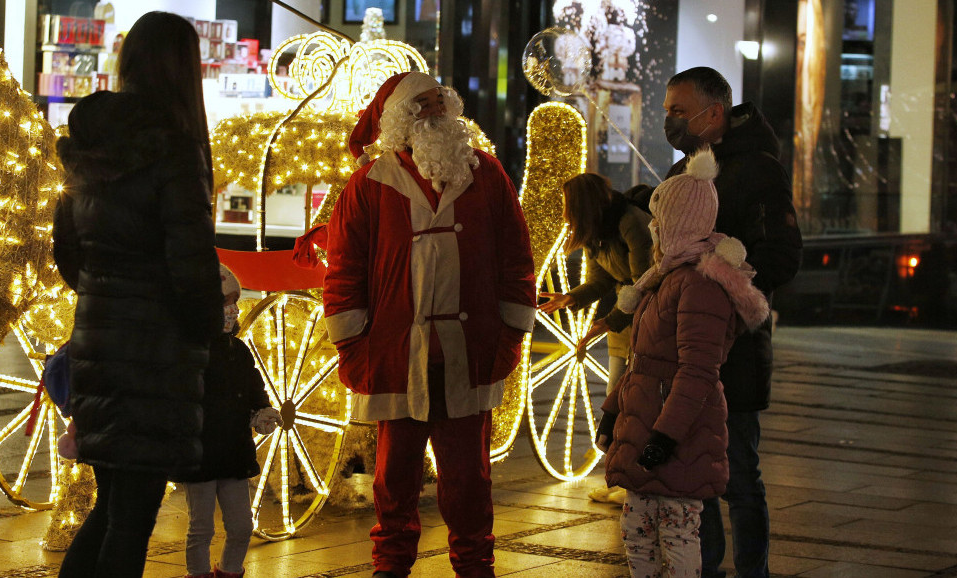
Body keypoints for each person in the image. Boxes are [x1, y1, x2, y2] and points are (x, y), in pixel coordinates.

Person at [321, 71, 537, 578]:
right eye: (422, 103)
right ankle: (390, 567)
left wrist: (509, 338)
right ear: (399, 117)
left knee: (468, 482)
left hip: (469, 353)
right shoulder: (370, 184)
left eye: (441, 100)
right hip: (397, 355)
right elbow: (344, 270)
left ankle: (474, 568)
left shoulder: (488, 175)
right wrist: (352, 347)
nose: (436, 111)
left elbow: (516, 263)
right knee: (392, 481)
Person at [52, 11, 224, 578]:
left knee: (113, 510)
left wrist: (107, 291)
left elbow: (68, 252)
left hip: (99, 347)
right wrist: (210, 328)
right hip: (155, 359)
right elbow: (193, 269)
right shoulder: (175, 151)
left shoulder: (92, 143)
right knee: (130, 520)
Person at [596, 147, 770, 577]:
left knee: (676, 536)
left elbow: (697, 370)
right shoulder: (665, 277)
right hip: (646, 423)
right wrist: (613, 412)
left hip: (676, 434)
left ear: (678, 222)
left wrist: (665, 437)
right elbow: (643, 360)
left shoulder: (698, 285)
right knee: (639, 532)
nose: (652, 228)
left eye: (660, 219)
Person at [662, 66, 803, 578]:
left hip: (734, 348)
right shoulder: (684, 170)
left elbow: (783, 254)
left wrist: (727, 288)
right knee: (696, 474)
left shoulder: (758, 168)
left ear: (713, 113)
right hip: (683, 347)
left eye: (680, 111)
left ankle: (752, 570)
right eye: (668, 111)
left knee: (739, 472)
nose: (671, 121)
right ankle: (707, 568)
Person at [537, 173, 652, 504]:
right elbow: (603, 280)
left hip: (647, 317)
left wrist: (610, 321)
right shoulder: (594, 232)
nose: (563, 213)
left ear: (581, 204)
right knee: (616, 396)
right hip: (625, 317)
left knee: (633, 402)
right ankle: (620, 479)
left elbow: (643, 282)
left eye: (566, 205)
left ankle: (634, 480)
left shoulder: (629, 222)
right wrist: (570, 298)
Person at [175, 265, 284, 578]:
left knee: (241, 526)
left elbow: (253, 388)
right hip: (201, 457)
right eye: (224, 305)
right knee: (201, 529)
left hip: (234, 453)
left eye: (234, 304)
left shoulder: (239, 350)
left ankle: (229, 570)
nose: (233, 311)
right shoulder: (188, 354)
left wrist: (261, 411)